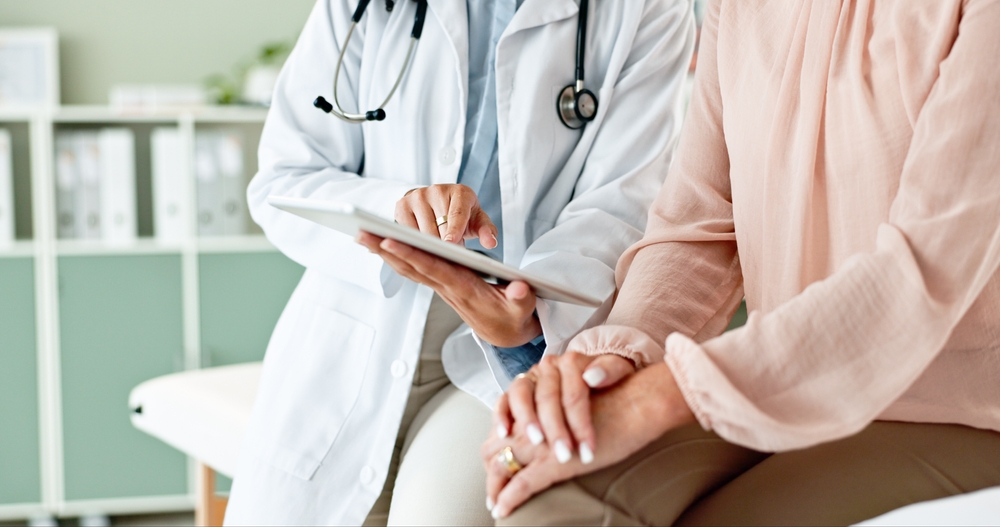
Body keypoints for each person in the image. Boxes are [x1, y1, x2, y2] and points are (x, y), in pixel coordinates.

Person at [481, 0, 1000, 524]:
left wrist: (660, 397)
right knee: (549, 503)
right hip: (770, 381)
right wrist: (608, 362)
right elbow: (699, 223)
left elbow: (918, 279)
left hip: (950, 412)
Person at [223, 0, 696, 524]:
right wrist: (398, 210)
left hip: (512, 349)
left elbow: (621, 203)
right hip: (360, 326)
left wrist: (528, 315)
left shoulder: (647, 9)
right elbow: (283, 178)